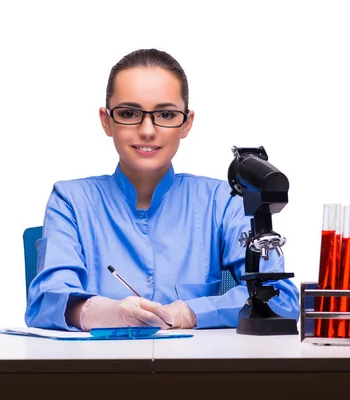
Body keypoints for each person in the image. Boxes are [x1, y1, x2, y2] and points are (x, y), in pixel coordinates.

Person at [25, 48, 299, 331]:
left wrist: (192, 312)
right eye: (129, 113)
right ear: (106, 121)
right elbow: (45, 301)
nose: (147, 130)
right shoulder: (71, 201)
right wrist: (98, 312)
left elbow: (282, 299)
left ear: (186, 123)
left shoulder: (223, 202)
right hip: (98, 371)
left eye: (166, 114)